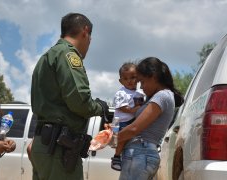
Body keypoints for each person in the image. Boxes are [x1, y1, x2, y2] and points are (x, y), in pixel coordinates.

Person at [30, 12, 110, 180]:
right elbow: (79, 102)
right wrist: (99, 107)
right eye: (90, 38)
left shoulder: (47, 56)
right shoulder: (69, 55)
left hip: (45, 145)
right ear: (85, 31)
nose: (89, 43)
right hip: (58, 148)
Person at [116, 57, 184, 180]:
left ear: (153, 77)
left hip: (140, 153)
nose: (141, 87)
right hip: (141, 153)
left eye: (142, 81)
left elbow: (134, 128)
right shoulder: (161, 96)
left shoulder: (162, 96)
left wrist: (115, 138)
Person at [110, 62, 145, 171]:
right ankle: (116, 157)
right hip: (120, 121)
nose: (129, 81)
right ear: (121, 81)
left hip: (130, 120)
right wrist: (134, 110)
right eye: (126, 78)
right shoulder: (121, 93)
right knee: (122, 138)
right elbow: (122, 108)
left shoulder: (139, 92)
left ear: (138, 78)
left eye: (133, 77)